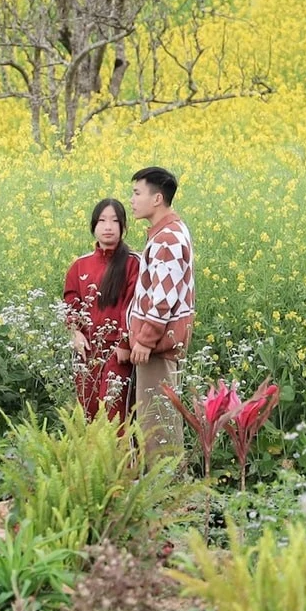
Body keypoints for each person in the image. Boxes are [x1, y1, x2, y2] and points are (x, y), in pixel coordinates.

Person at [125, 165, 194, 455]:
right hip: (158, 343)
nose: (132, 200)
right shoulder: (166, 233)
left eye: (137, 193)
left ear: (157, 199)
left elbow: (163, 298)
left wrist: (145, 339)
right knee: (156, 419)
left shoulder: (167, 238)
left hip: (158, 345)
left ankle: (169, 493)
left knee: (157, 424)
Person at [63, 197, 138, 422]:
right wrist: (74, 332)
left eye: (114, 221)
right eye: (102, 221)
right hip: (86, 351)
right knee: (88, 412)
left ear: (123, 227)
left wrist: (124, 343)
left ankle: (123, 458)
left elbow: (132, 306)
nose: (108, 227)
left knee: (115, 415)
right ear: (93, 226)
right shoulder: (80, 266)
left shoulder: (134, 263)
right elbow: (70, 302)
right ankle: (93, 458)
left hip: (117, 352)